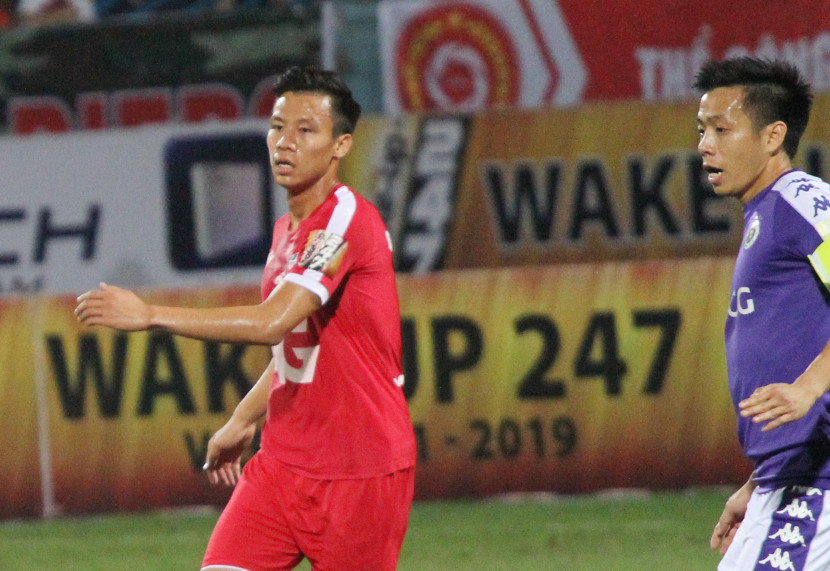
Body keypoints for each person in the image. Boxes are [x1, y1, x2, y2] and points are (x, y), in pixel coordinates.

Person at [75, 66, 417, 571]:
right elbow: (296, 348)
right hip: (281, 465)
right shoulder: (285, 231)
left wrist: (150, 315)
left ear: (341, 145)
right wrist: (243, 419)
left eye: (306, 130)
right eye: (278, 126)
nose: (285, 142)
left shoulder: (343, 223)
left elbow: (271, 323)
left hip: (358, 471)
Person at [694, 57, 830, 570]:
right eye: (702, 129)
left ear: (773, 135)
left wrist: (808, 387)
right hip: (790, 476)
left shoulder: (803, 202)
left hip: (816, 483)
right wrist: (759, 481)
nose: (705, 145)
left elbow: (803, 389)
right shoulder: (767, 213)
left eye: (721, 129)